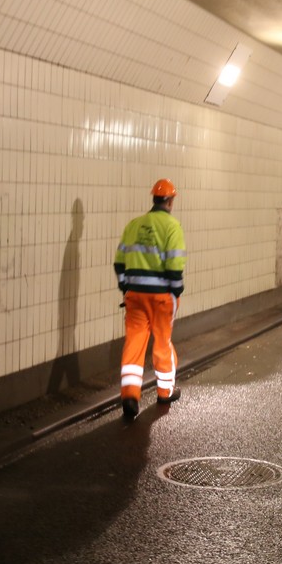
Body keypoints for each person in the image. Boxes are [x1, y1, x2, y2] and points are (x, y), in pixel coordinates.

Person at [113, 178, 186, 421]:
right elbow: (175, 266)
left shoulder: (134, 225)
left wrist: (125, 286)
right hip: (161, 298)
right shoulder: (172, 227)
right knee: (162, 343)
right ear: (170, 201)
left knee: (134, 343)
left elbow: (119, 263)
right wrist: (177, 291)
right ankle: (165, 392)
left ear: (154, 199)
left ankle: (130, 395)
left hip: (135, 296)